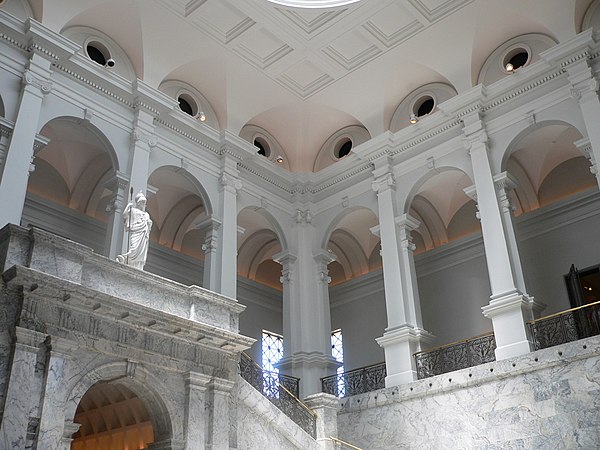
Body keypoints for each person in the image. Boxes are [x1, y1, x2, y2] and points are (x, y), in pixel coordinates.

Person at [117, 191, 152, 270]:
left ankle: (138, 267)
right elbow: (125, 215)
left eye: (144, 202)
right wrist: (128, 206)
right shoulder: (133, 210)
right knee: (134, 247)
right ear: (138, 202)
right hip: (136, 231)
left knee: (141, 251)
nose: (144, 204)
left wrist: (149, 223)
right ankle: (126, 259)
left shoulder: (146, 214)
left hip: (143, 233)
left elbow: (149, 225)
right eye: (142, 202)